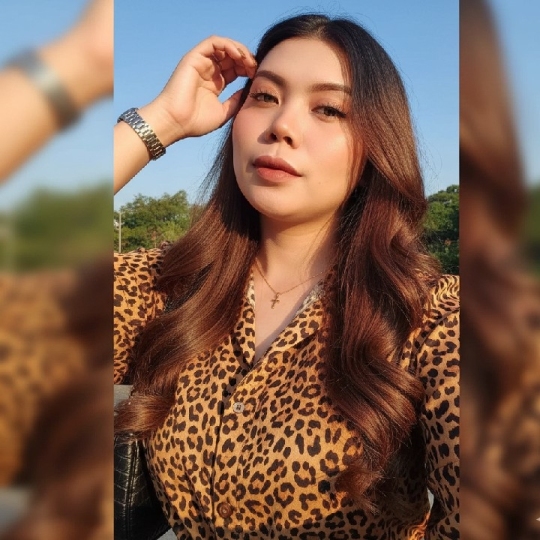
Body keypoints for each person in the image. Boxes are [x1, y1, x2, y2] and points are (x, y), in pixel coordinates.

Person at [114, 13, 459, 539]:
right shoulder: (169, 287)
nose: (281, 125)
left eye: (328, 109)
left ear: (376, 145)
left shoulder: (430, 317)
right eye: (265, 97)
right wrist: (159, 121)